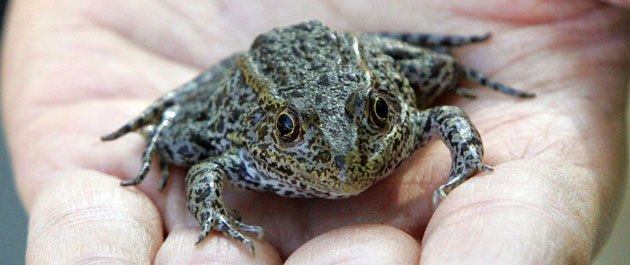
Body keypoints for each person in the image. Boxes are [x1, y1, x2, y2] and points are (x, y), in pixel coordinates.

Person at [2, 1, 629, 264]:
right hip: (260, 76)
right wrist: (214, 220)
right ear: (275, 132)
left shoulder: (404, 123)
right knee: (173, 143)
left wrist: (467, 163)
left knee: (440, 74)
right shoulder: (254, 151)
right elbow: (207, 169)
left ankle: (388, 86)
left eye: (375, 119)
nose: (344, 158)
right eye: (294, 134)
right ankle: (172, 112)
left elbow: (446, 117)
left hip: (347, 55)